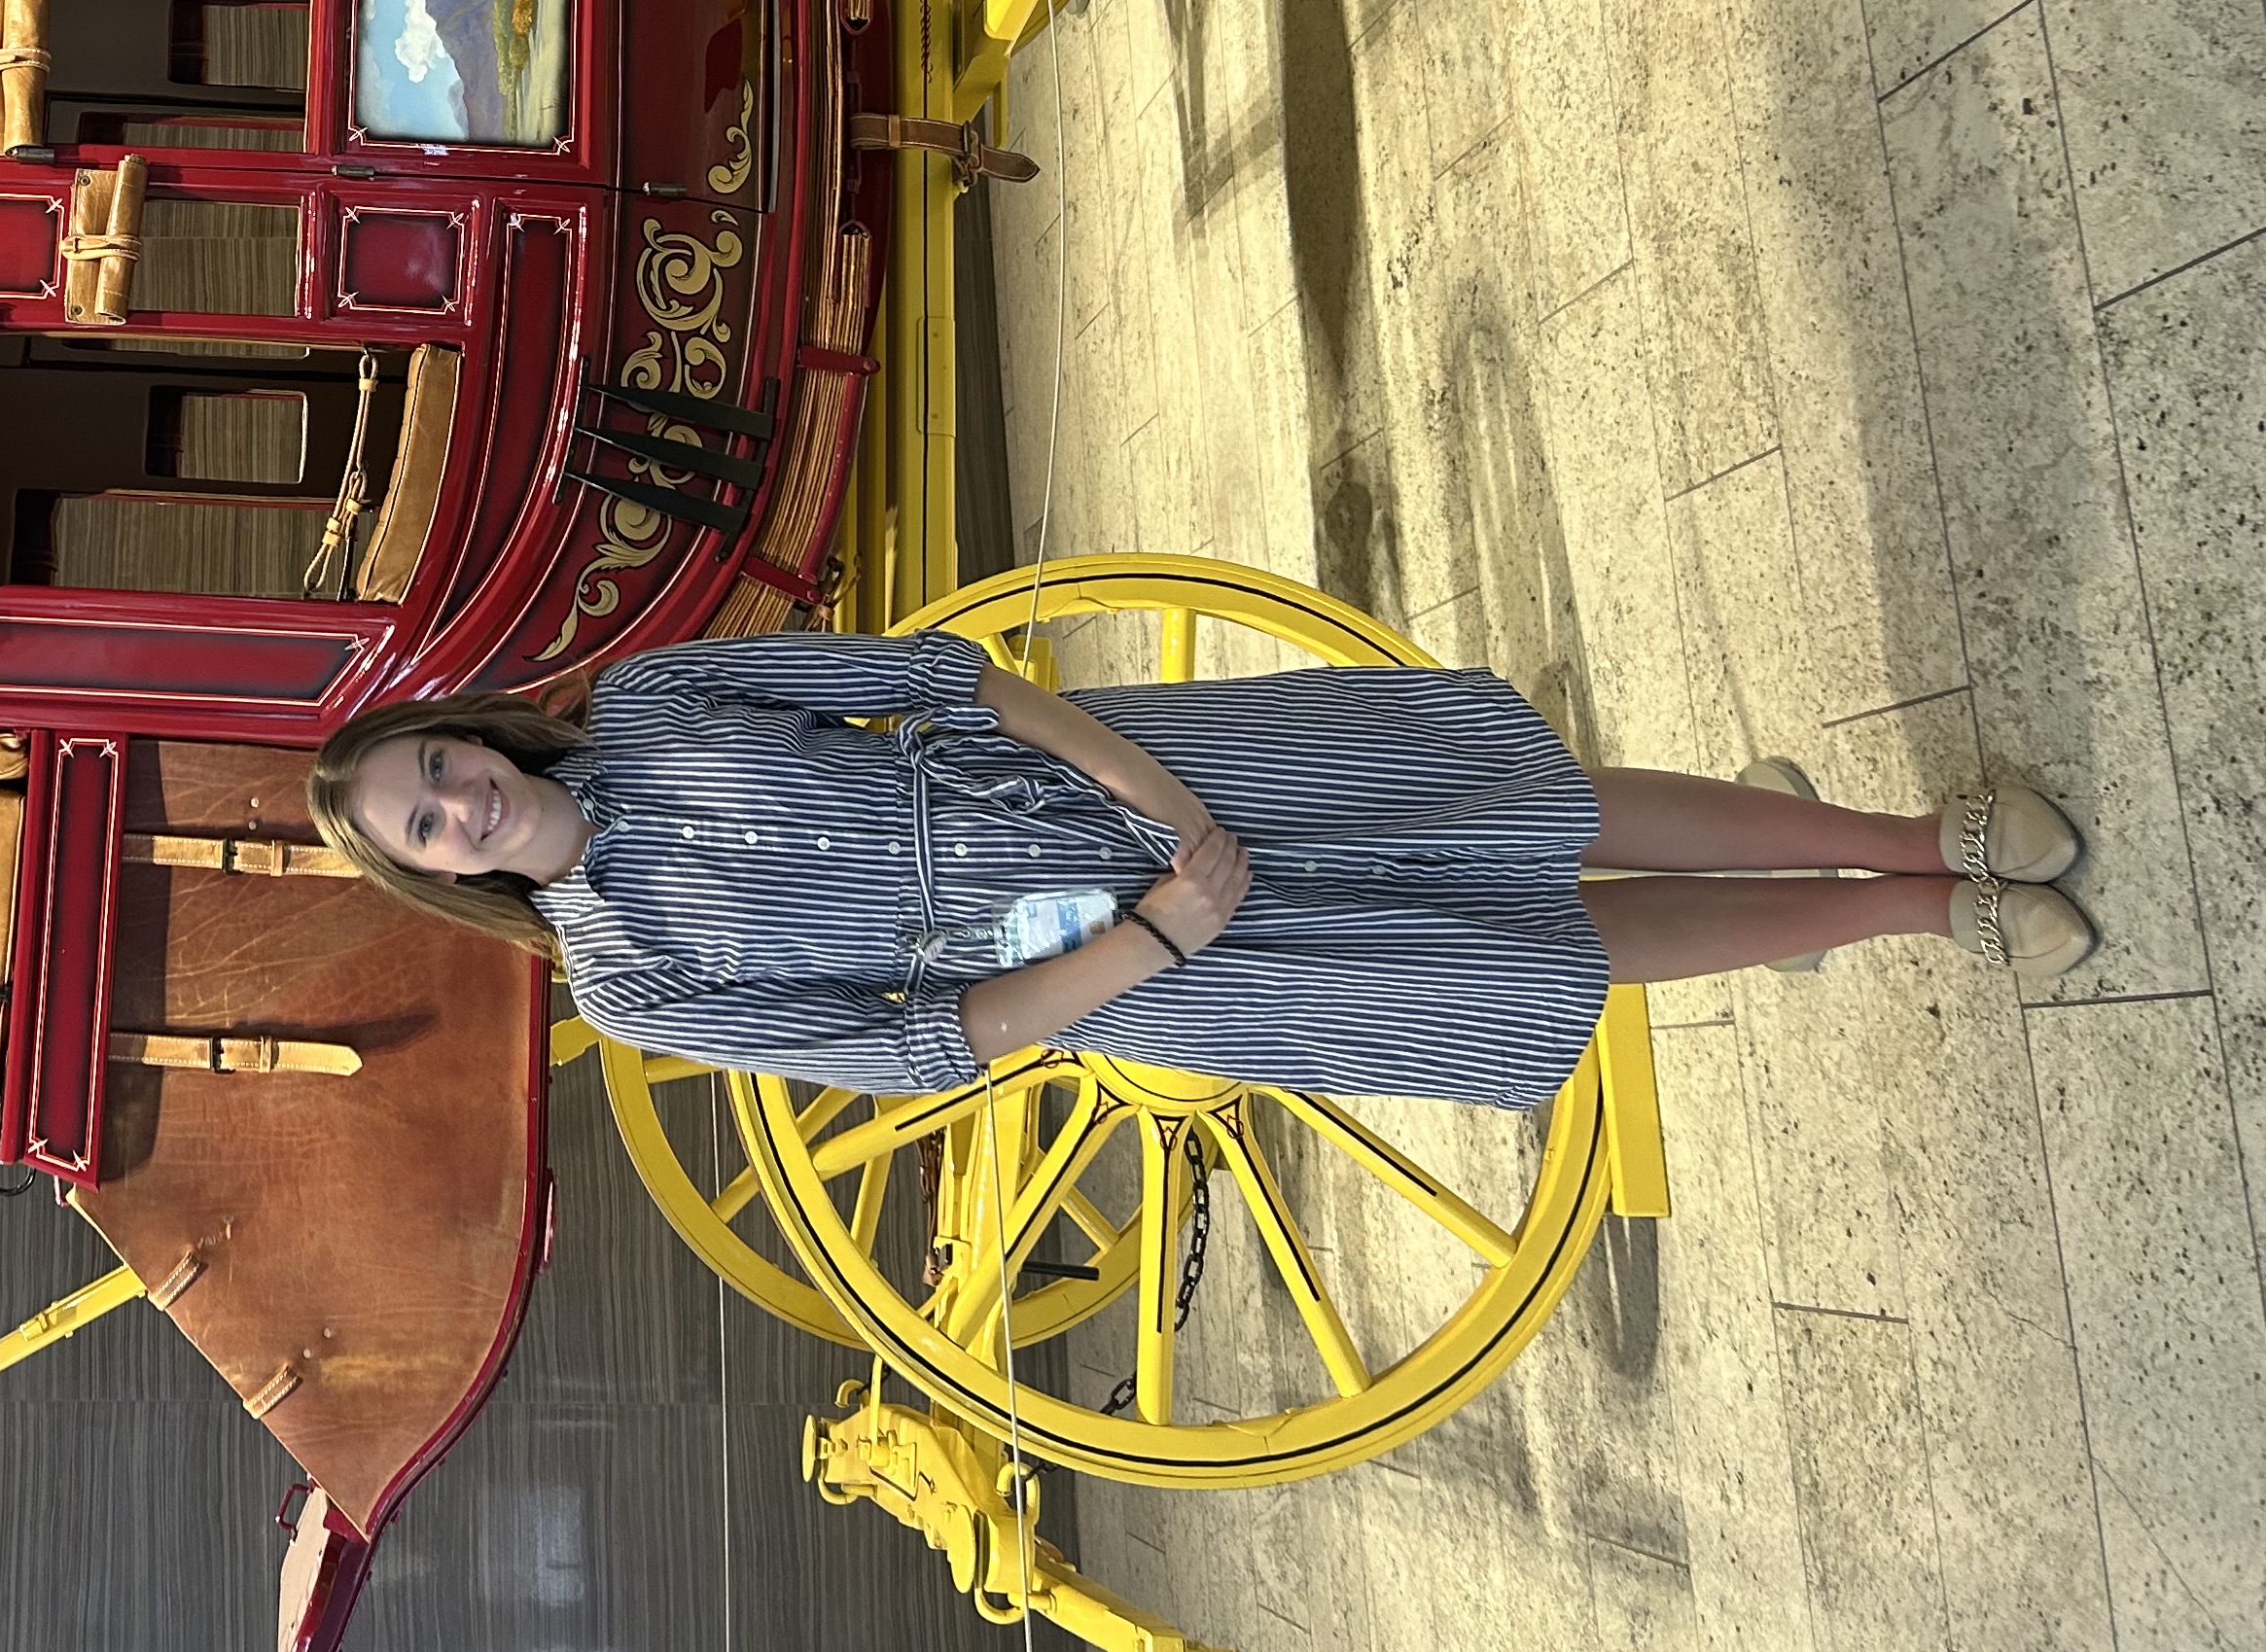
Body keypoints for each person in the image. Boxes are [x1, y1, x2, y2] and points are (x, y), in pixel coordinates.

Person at [304, 627, 2096, 1104]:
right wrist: (1163, 937)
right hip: (1146, 960)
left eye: (439, 764)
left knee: (1520, 809)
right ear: (431, 874)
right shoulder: (627, 983)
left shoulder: (656, 695)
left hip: (1124, 784)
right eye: (424, 823)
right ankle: (1927, 916)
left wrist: (1156, 795)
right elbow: (919, 1044)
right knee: (1533, 963)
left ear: (472, 733)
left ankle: (1911, 833)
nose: (458, 803)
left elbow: (946, 682)